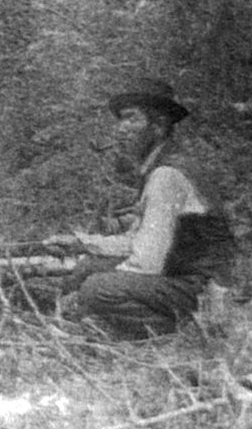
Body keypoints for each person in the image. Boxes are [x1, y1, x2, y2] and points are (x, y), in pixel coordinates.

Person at [52, 79, 234, 339]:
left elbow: (146, 261)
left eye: (131, 120)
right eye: (120, 120)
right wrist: (82, 244)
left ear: (158, 126)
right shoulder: (160, 168)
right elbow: (139, 241)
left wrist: (84, 293)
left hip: (202, 288)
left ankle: (180, 330)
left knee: (97, 288)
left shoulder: (166, 175)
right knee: (89, 271)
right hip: (182, 278)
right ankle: (111, 323)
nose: (120, 129)